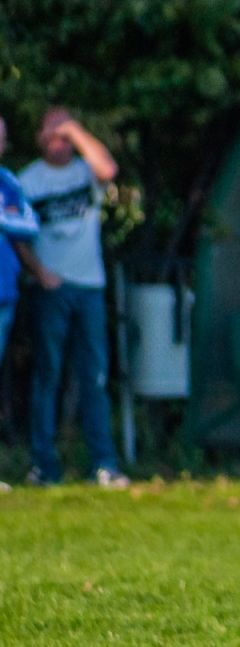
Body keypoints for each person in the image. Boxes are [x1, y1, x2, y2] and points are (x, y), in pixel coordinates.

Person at [14, 107, 126, 488]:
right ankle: (44, 465)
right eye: (53, 133)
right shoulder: (29, 181)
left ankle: (105, 465)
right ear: (40, 137)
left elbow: (108, 171)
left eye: (66, 134)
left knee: (94, 376)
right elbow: (15, 235)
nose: (59, 141)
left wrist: (77, 131)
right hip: (52, 290)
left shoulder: (84, 172)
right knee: (48, 375)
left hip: (90, 287)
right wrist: (38, 273)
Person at [0, 118, 40, 369]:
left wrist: (2, 218)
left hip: (3, 293)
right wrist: (7, 215)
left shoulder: (8, 181)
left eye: (1, 140)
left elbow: (31, 225)